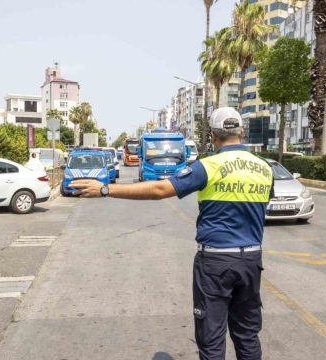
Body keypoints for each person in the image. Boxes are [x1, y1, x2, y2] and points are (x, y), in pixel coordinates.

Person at [70, 107, 274, 360]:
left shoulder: (207, 166)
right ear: (241, 132)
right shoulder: (264, 168)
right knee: (247, 335)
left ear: (212, 136)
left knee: (211, 337)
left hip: (215, 263)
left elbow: (158, 190)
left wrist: (105, 190)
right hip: (252, 261)